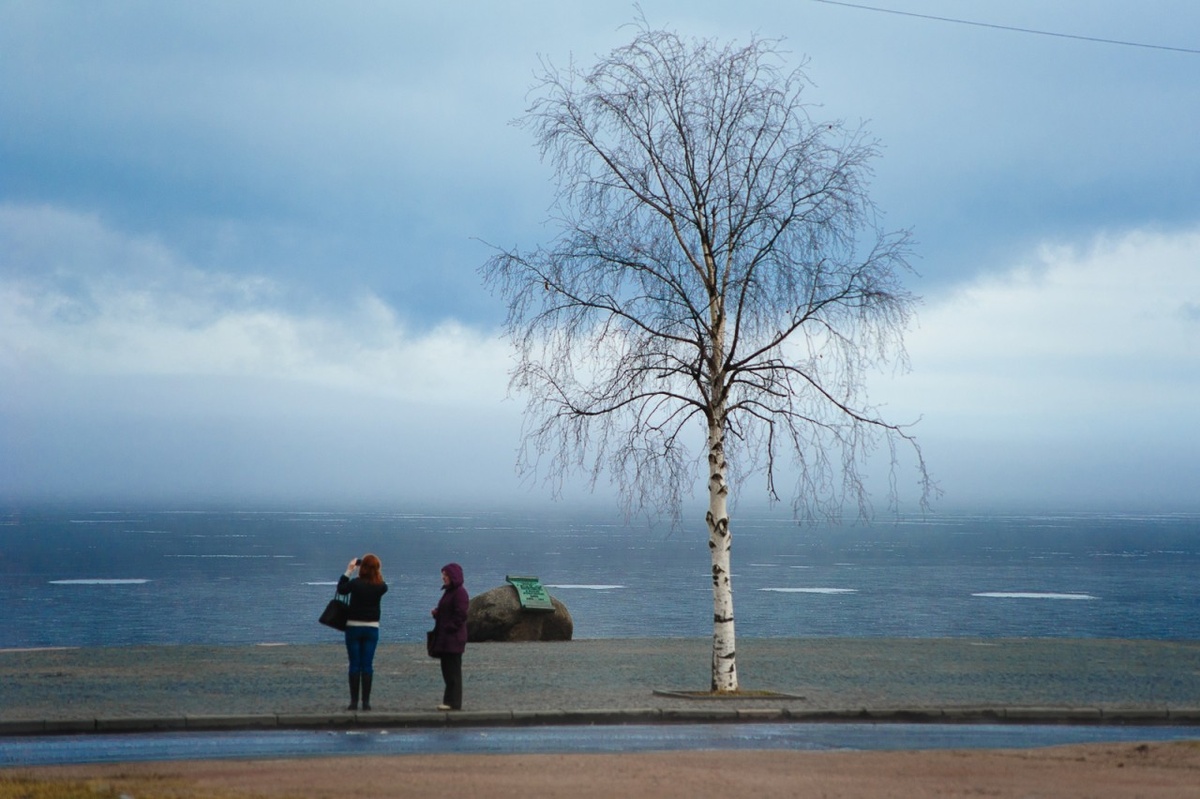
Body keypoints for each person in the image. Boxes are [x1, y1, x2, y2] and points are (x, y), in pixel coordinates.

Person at [338, 553, 387, 711]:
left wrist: (349, 570)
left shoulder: (355, 584)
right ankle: (366, 702)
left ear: (362, 567)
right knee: (367, 665)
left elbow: (341, 589)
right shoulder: (381, 587)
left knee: (354, 664)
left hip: (353, 627)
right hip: (372, 628)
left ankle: (353, 702)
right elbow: (381, 582)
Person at [430, 562, 469, 710]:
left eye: (445, 575)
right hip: (447, 638)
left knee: (453, 672)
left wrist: (449, 627)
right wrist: (438, 614)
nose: (443, 578)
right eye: (443, 575)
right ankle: (449, 701)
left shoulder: (459, 593)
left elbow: (461, 614)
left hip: (453, 638)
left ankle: (453, 703)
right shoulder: (450, 592)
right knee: (447, 670)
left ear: (453, 576)